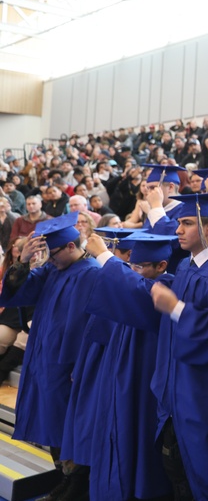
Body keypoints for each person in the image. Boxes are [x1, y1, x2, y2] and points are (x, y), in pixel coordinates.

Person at [0, 212, 100, 501]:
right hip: (44, 357)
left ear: (71, 246)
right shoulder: (54, 269)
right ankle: (64, 478)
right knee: (52, 421)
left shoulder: (90, 273)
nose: (48, 259)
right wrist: (22, 261)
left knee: (69, 425)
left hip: (68, 364)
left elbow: (87, 327)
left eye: (52, 253)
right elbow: (18, 293)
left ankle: (76, 485)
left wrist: (79, 366)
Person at [147, 191, 208, 501]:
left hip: (201, 397)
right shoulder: (186, 267)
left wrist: (177, 309)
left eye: (186, 223)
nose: (178, 230)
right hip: (173, 393)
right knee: (175, 472)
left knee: (202, 477)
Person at [83, 231, 173, 501]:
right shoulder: (134, 284)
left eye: (141, 266)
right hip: (121, 372)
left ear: (161, 266)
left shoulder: (168, 285)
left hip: (144, 375)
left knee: (137, 435)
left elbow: (140, 292)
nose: (135, 271)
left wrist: (105, 257)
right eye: (132, 265)